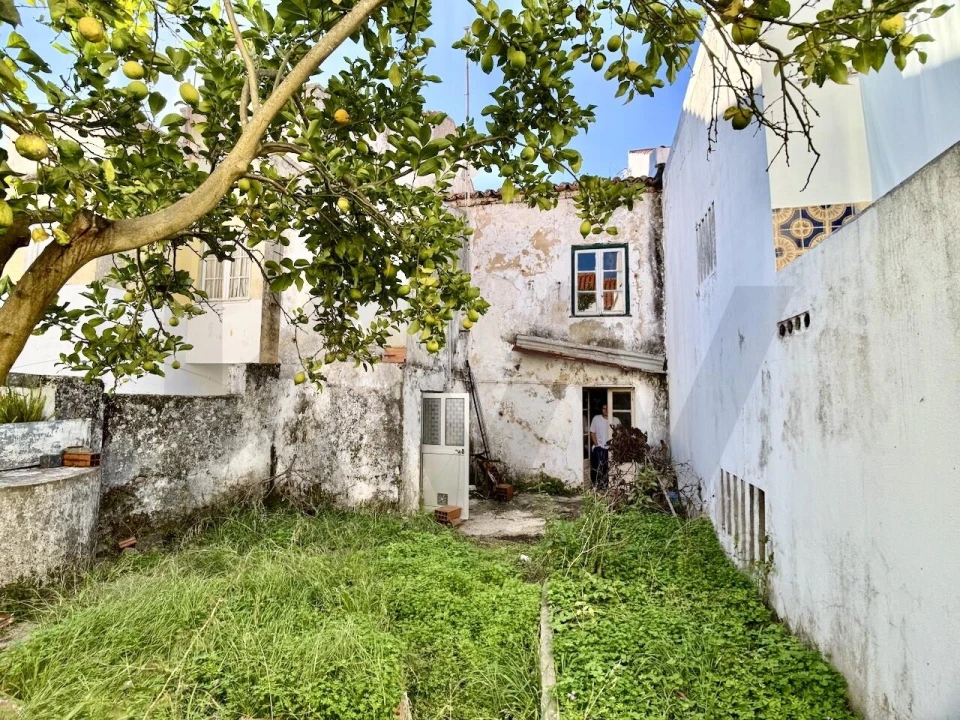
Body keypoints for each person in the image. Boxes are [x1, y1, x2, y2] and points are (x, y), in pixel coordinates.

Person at [589, 404, 620, 491]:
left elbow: (619, 434)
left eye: (607, 408)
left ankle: (608, 486)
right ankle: (597, 485)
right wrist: (597, 445)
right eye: (604, 408)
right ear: (601, 409)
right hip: (600, 447)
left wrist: (615, 446)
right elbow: (592, 433)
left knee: (609, 468)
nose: (606, 410)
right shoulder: (596, 419)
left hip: (612, 448)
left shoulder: (616, 420)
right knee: (598, 467)